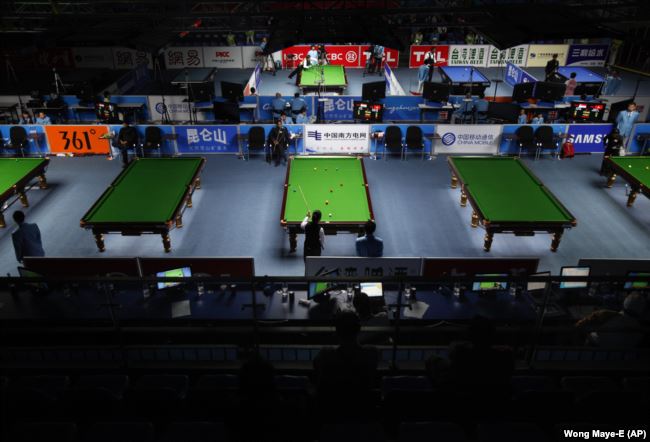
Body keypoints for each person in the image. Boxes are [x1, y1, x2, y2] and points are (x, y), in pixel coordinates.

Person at [313, 310, 379, 416]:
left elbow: (316, 367)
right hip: (362, 412)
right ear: (359, 329)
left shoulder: (325, 354)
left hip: (332, 413)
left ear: (337, 331)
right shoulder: (372, 353)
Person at [576, 293, 646, 348]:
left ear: (624, 303)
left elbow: (579, 325)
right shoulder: (640, 331)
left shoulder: (605, 314)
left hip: (593, 348)